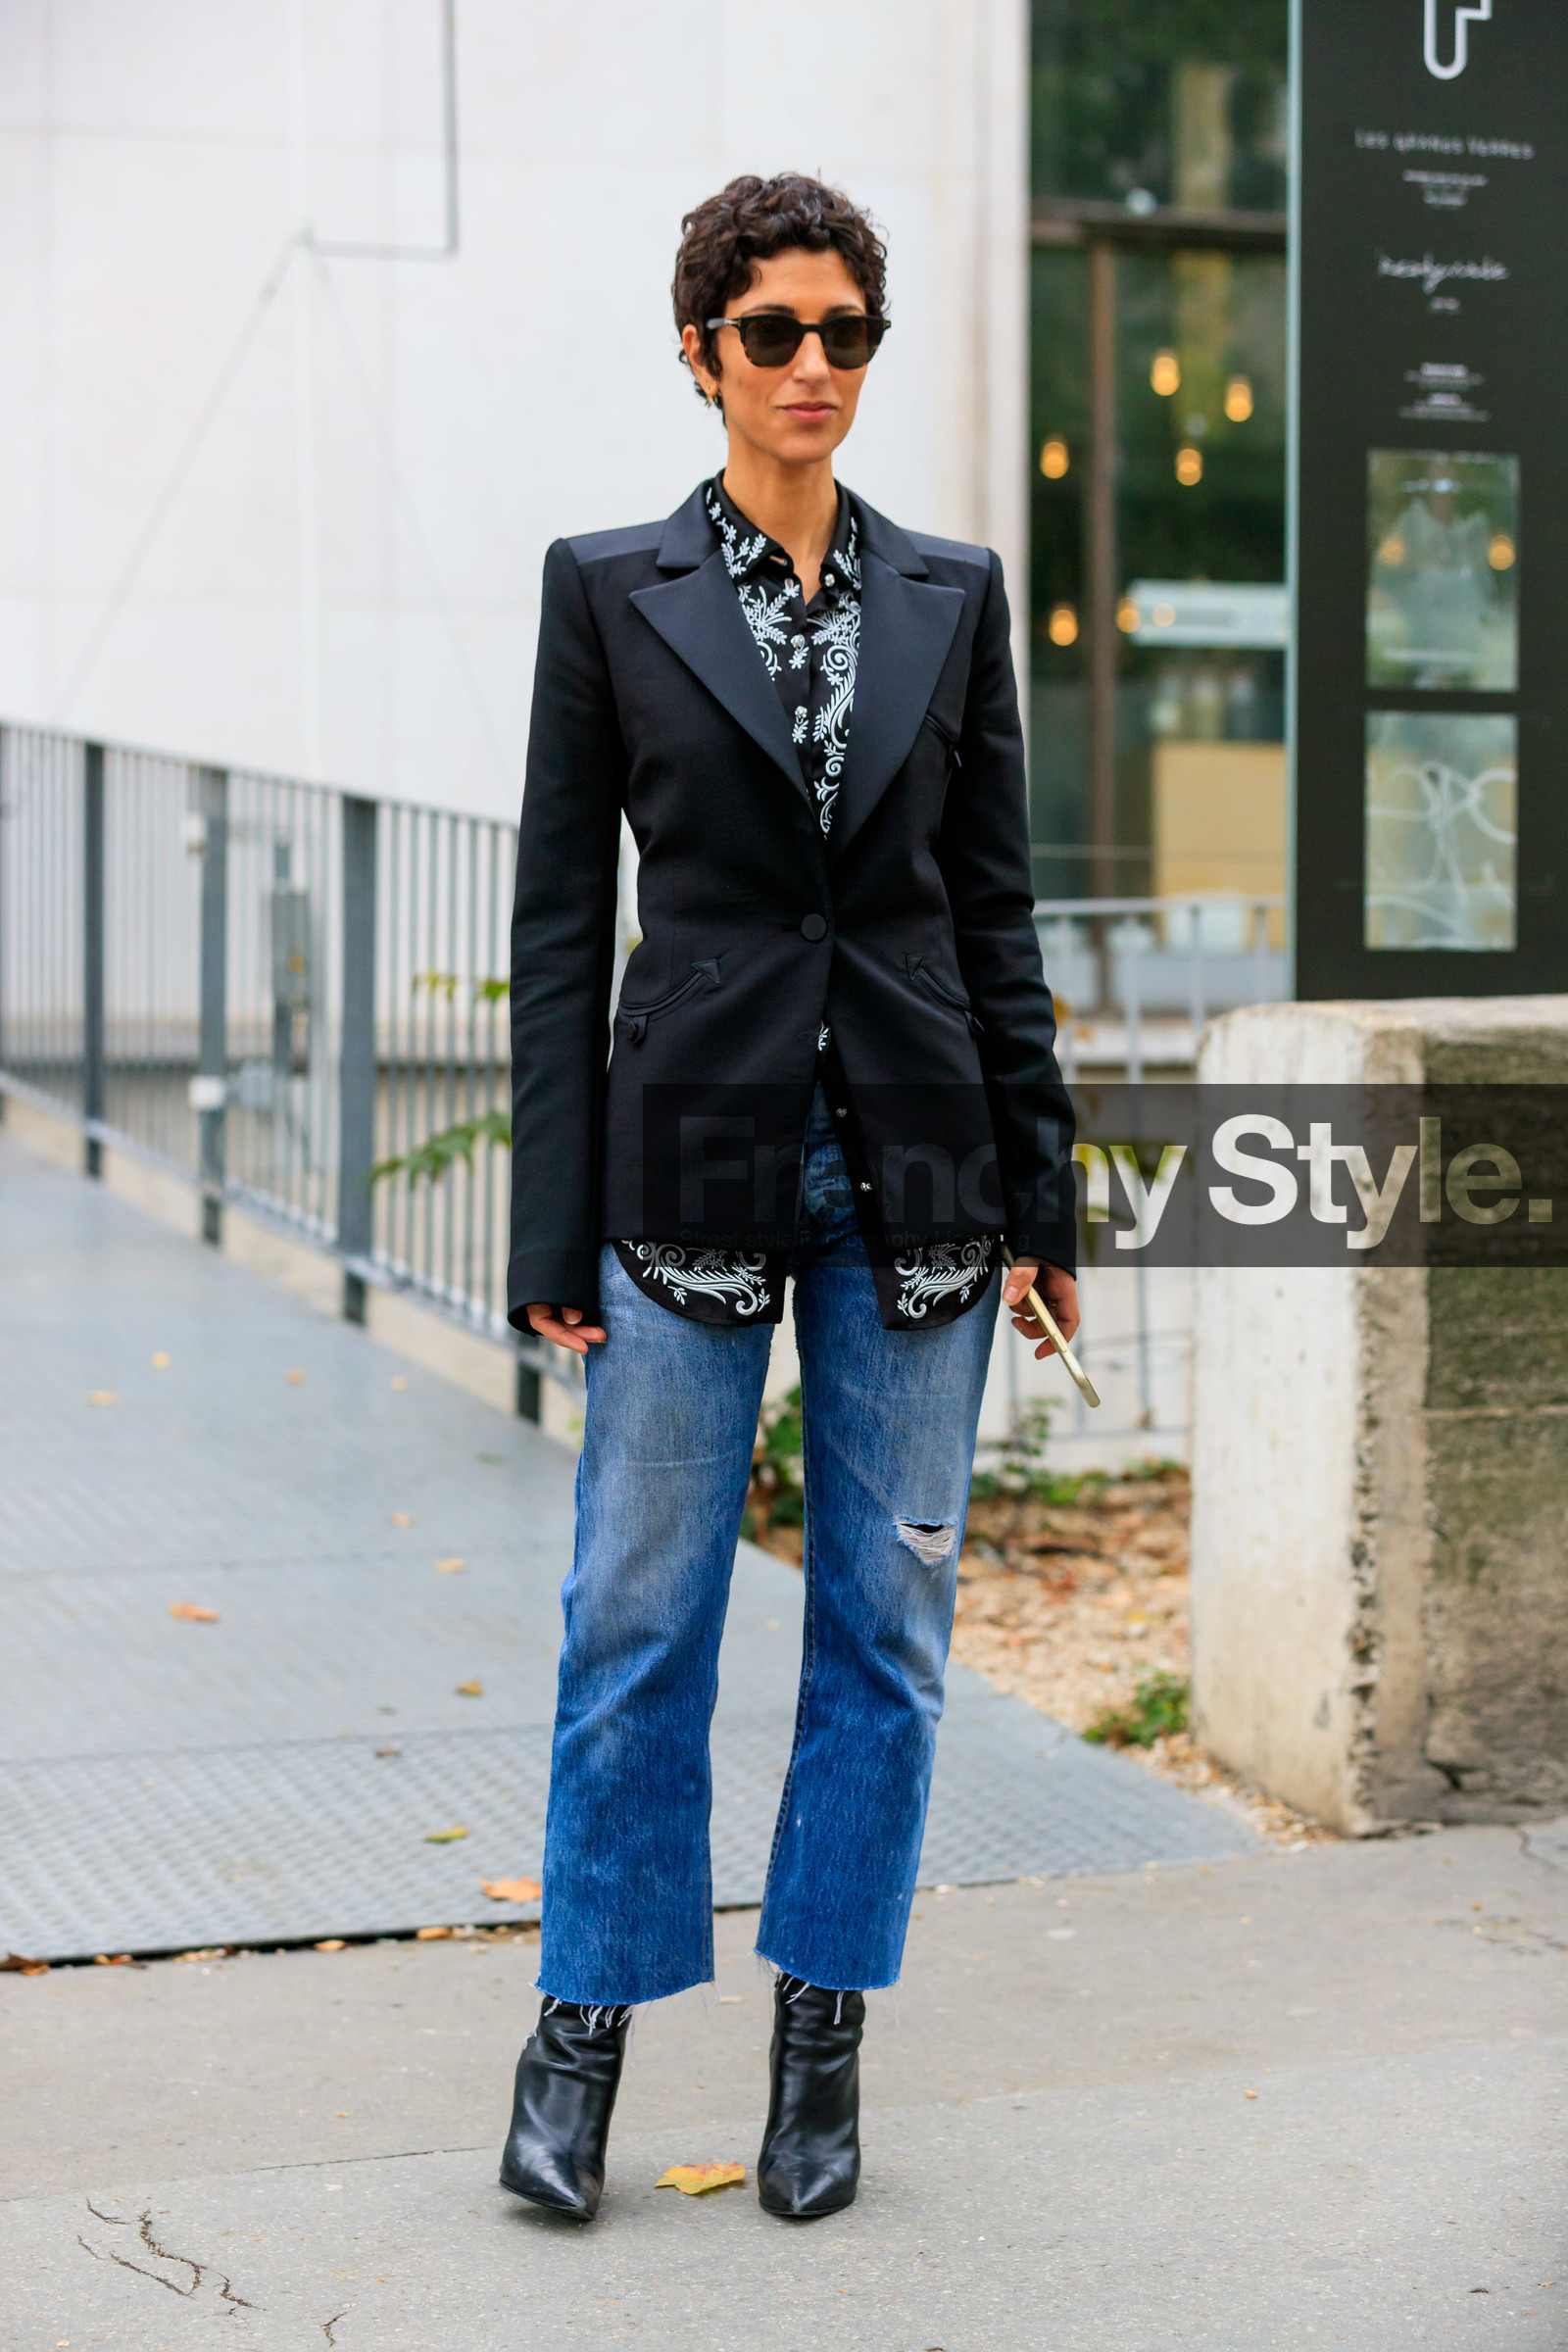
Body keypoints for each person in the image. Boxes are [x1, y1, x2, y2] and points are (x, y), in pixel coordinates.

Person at [501, 172, 1078, 2225]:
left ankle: (817, 2046)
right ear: (698, 349)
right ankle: (581, 2028)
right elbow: (562, 924)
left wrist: (1045, 1196)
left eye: (846, 334)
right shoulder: (608, 587)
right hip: (685, 1170)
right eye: (773, 334)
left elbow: (989, 910)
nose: (813, 368)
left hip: (914, 1172)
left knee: (886, 1630)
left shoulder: (951, 592)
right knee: (632, 1617)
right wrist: (543, 1226)